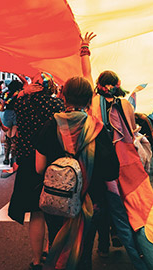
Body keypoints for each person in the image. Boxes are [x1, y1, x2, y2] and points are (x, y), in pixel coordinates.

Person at [36, 76, 120, 270]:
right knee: (83, 253)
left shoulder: (51, 125)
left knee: (57, 246)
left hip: (56, 200)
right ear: (90, 99)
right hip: (90, 202)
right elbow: (111, 172)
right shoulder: (98, 130)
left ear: (64, 97)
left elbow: (39, 168)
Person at [8, 72, 65, 270]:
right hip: (52, 162)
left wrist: (25, 91)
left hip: (27, 162)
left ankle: (36, 260)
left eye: (35, 82)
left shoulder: (22, 103)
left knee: (36, 212)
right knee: (54, 210)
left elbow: (15, 100)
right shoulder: (56, 105)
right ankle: (51, 252)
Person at [0, 79, 22, 166]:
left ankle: (6, 158)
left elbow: (2, 107)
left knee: (7, 136)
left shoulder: (6, 94)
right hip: (17, 113)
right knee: (14, 138)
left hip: (8, 113)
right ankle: (13, 159)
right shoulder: (20, 94)